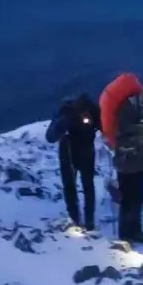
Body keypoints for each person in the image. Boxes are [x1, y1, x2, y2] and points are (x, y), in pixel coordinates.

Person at [102, 75, 143, 244]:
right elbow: (123, 137)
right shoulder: (126, 109)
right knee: (128, 198)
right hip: (126, 162)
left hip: (139, 161)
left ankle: (135, 230)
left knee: (137, 197)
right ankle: (125, 233)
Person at [45, 93, 101, 230]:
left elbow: (50, 137)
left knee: (73, 187)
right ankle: (85, 220)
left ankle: (79, 219)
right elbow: (50, 137)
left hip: (72, 154)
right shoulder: (69, 114)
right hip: (78, 153)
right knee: (85, 186)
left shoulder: (85, 112)